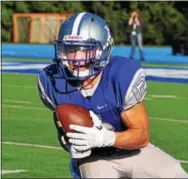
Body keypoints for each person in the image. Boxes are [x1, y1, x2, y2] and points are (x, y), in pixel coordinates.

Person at [37, 12, 188, 178]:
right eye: (71, 49)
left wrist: (105, 138)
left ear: (103, 49)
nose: (76, 58)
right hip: (94, 158)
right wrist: (70, 143)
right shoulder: (52, 81)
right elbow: (62, 123)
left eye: (85, 50)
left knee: (174, 174)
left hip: (131, 151)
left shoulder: (121, 75)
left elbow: (141, 135)